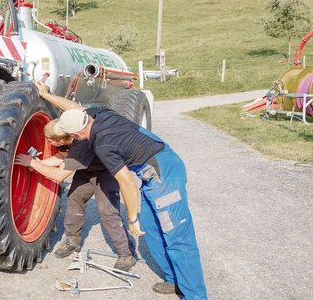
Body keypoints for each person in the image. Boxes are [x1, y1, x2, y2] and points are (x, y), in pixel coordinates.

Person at [45, 91, 208, 299]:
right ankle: (175, 280)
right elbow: (72, 107)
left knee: (177, 237)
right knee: (152, 228)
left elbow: (127, 183)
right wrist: (45, 94)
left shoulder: (103, 144)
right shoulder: (96, 114)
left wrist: (132, 219)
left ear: (76, 135)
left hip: (163, 172)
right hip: (150, 171)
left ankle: (195, 295)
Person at [15, 118, 136, 271]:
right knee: (74, 198)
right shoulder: (66, 139)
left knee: (107, 211)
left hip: (106, 171)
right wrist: (39, 164)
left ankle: (126, 254)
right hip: (86, 169)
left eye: (49, 139)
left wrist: (33, 163)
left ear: (60, 140)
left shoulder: (80, 145)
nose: (46, 141)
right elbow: (61, 157)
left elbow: (59, 176)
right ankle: (73, 240)